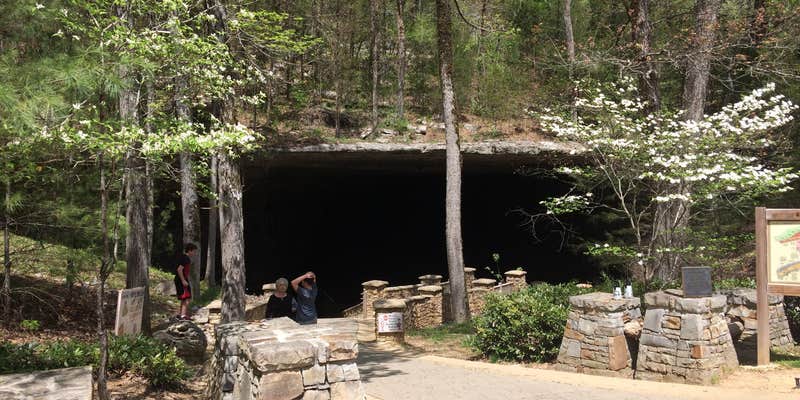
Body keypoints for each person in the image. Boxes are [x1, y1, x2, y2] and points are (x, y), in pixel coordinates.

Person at [174, 243, 197, 320]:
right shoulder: (185, 258)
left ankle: (180, 314)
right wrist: (183, 280)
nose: (194, 253)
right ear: (189, 251)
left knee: (184, 297)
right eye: (194, 251)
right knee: (187, 297)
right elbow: (179, 269)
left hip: (180, 279)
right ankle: (183, 316)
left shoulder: (183, 257)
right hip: (181, 279)